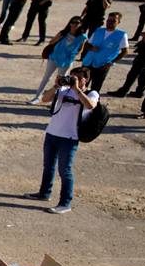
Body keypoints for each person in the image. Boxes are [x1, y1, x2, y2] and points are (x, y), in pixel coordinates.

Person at [25, 67, 97, 215]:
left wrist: (76, 88)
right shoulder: (63, 89)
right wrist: (56, 86)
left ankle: (65, 203)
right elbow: (45, 99)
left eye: (76, 78)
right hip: (52, 133)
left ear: (86, 79)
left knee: (65, 171)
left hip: (70, 138)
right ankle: (44, 193)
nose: (72, 80)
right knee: (48, 166)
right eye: (71, 77)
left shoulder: (91, 93)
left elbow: (90, 105)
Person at [29, 17, 88, 105]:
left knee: (62, 81)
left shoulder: (82, 37)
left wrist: (73, 54)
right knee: (46, 78)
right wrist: (58, 38)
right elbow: (51, 42)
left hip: (67, 61)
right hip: (54, 57)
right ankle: (37, 97)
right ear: (70, 23)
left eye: (77, 23)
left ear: (81, 24)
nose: (75, 24)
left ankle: (55, 101)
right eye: (73, 22)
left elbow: (81, 49)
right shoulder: (63, 33)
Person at [80, 12, 128, 92]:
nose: (109, 22)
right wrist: (91, 48)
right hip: (88, 62)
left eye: (113, 21)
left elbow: (125, 51)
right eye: (108, 20)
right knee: (81, 86)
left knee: (95, 89)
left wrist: (111, 62)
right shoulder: (98, 30)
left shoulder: (121, 35)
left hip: (102, 65)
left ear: (118, 22)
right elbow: (87, 44)